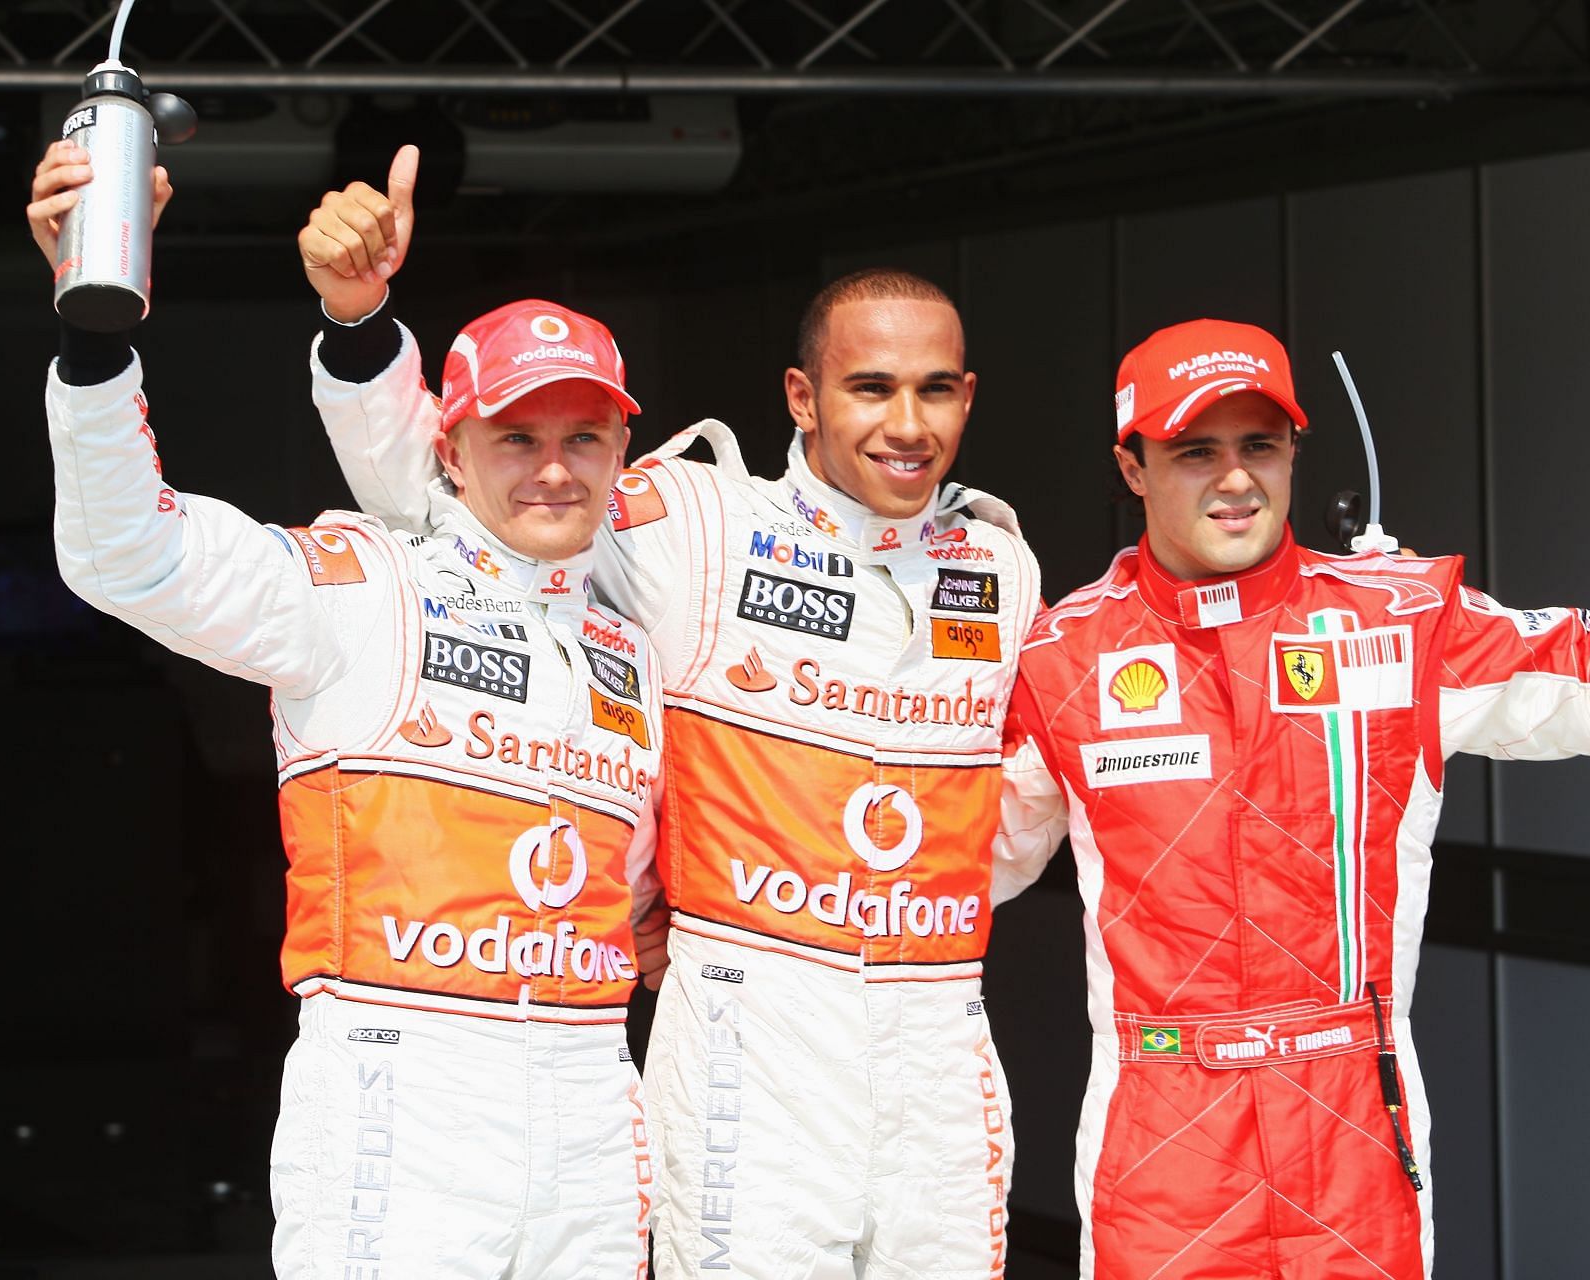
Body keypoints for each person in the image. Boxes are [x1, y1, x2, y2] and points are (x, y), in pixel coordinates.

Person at [298, 148, 1055, 1278]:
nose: (909, 422)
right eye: (871, 388)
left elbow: (1028, 797)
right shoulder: (696, 516)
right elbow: (459, 506)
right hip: (755, 1015)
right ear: (802, 396)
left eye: (935, 389)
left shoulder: (999, 562)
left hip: (937, 1023)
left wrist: (911, 901)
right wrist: (362, 333)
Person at [990, 318, 1590, 1279]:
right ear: (1132, 467)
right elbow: (963, 868)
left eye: (1260, 445)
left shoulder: (1402, 617)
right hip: (1165, 1140)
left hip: (1352, 1127)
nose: (1236, 478)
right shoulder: (1060, 656)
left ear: (1295, 449)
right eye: (1194, 452)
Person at [30, 142, 665, 1278]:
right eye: (517, 436)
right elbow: (127, 551)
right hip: (403, 1091)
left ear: (623, 449)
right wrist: (94, 328)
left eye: (584, 437)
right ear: (452, 451)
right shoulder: (363, 583)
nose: (555, 470)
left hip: (588, 1097)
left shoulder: (629, 641)